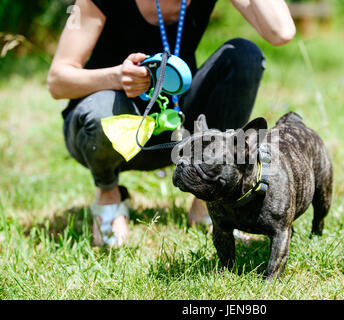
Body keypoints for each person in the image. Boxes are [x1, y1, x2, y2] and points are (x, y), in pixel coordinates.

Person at [47, 0, 295, 246]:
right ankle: (108, 193)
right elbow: (57, 80)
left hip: (179, 127)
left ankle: (209, 201)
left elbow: (281, 32)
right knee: (101, 112)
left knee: (245, 57)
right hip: (113, 129)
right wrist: (116, 77)